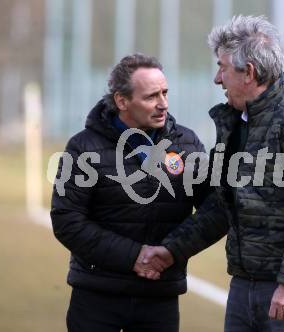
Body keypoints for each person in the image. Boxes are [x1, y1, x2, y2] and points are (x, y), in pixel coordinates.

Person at [139, 15, 284, 332]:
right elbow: (224, 204)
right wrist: (172, 249)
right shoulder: (235, 122)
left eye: (222, 67)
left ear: (248, 72)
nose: (217, 79)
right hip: (243, 286)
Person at [50, 53, 208, 332]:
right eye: (151, 97)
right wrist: (133, 256)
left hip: (160, 298)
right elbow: (66, 219)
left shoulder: (187, 144)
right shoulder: (83, 148)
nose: (163, 104)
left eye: (165, 92)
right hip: (96, 296)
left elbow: (213, 211)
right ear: (122, 101)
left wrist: (171, 252)